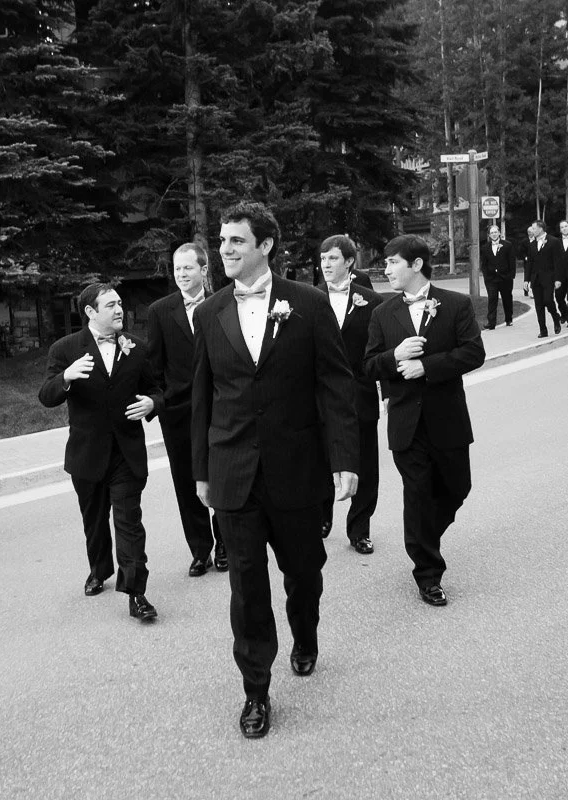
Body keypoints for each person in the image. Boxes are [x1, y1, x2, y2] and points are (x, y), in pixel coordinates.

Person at [191, 201, 359, 739]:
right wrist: (201, 471)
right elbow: (202, 397)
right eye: (222, 241)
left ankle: (305, 635)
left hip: (297, 471)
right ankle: (256, 690)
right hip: (234, 472)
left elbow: (336, 385)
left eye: (237, 241)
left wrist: (345, 460)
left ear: (265, 245)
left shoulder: (308, 305)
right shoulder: (210, 312)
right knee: (246, 588)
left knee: (303, 573)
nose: (226, 250)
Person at [363, 235, 485, 607]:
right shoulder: (383, 313)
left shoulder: (455, 304)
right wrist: (394, 356)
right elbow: (368, 366)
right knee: (417, 496)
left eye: (392, 263)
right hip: (405, 424)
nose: (386, 270)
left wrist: (426, 367)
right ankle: (428, 573)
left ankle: (422, 539)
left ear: (416, 265)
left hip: (447, 419)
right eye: (385, 264)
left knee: (456, 489)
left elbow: (474, 353)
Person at [39, 282, 163, 621]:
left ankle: (136, 593)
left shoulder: (136, 347)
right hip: (86, 453)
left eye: (120, 303)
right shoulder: (65, 349)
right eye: (110, 305)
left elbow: (156, 388)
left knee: (129, 522)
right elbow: (46, 395)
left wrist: (153, 402)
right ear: (91, 312)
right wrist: (65, 376)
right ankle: (99, 568)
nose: (119, 309)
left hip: (127, 451)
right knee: (94, 521)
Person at [145, 243, 226, 577]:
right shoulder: (160, 311)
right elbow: (154, 364)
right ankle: (200, 549)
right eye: (177, 269)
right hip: (178, 410)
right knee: (185, 480)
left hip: (221, 406)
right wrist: (160, 400)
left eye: (187, 268)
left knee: (221, 474)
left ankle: (225, 544)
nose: (180, 275)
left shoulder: (225, 302)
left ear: (204, 271)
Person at [317, 234, 383, 554]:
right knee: (320, 460)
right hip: (319, 398)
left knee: (366, 464)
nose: (326, 264)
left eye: (332, 258)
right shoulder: (307, 299)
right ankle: (322, 514)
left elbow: (380, 350)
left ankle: (360, 529)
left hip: (360, 394)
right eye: (323, 259)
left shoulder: (371, 301)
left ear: (349, 263)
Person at [522, 220, 564, 338]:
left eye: (534, 229)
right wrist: (526, 280)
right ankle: (543, 330)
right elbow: (529, 263)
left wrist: (558, 279)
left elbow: (558, 262)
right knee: (538, 305)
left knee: (548, 301)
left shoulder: (554, 241)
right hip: (536, 279)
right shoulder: (532, 244)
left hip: (549, 278)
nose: (532, 231)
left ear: (540, 229)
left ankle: (556, 317)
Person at [478, 222, 516, 329]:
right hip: (491, 279)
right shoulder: (485, 247)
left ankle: (509, 319)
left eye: (495, 232)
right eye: (492, 233)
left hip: (505, 278)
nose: (494, 234)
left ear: (499, 233)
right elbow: (484, 264)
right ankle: (491, 322)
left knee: (507, 298)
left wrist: (511, 276)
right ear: (489, 235)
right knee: (492, 299)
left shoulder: (507, 245)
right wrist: (486, 276)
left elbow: (512, 262)